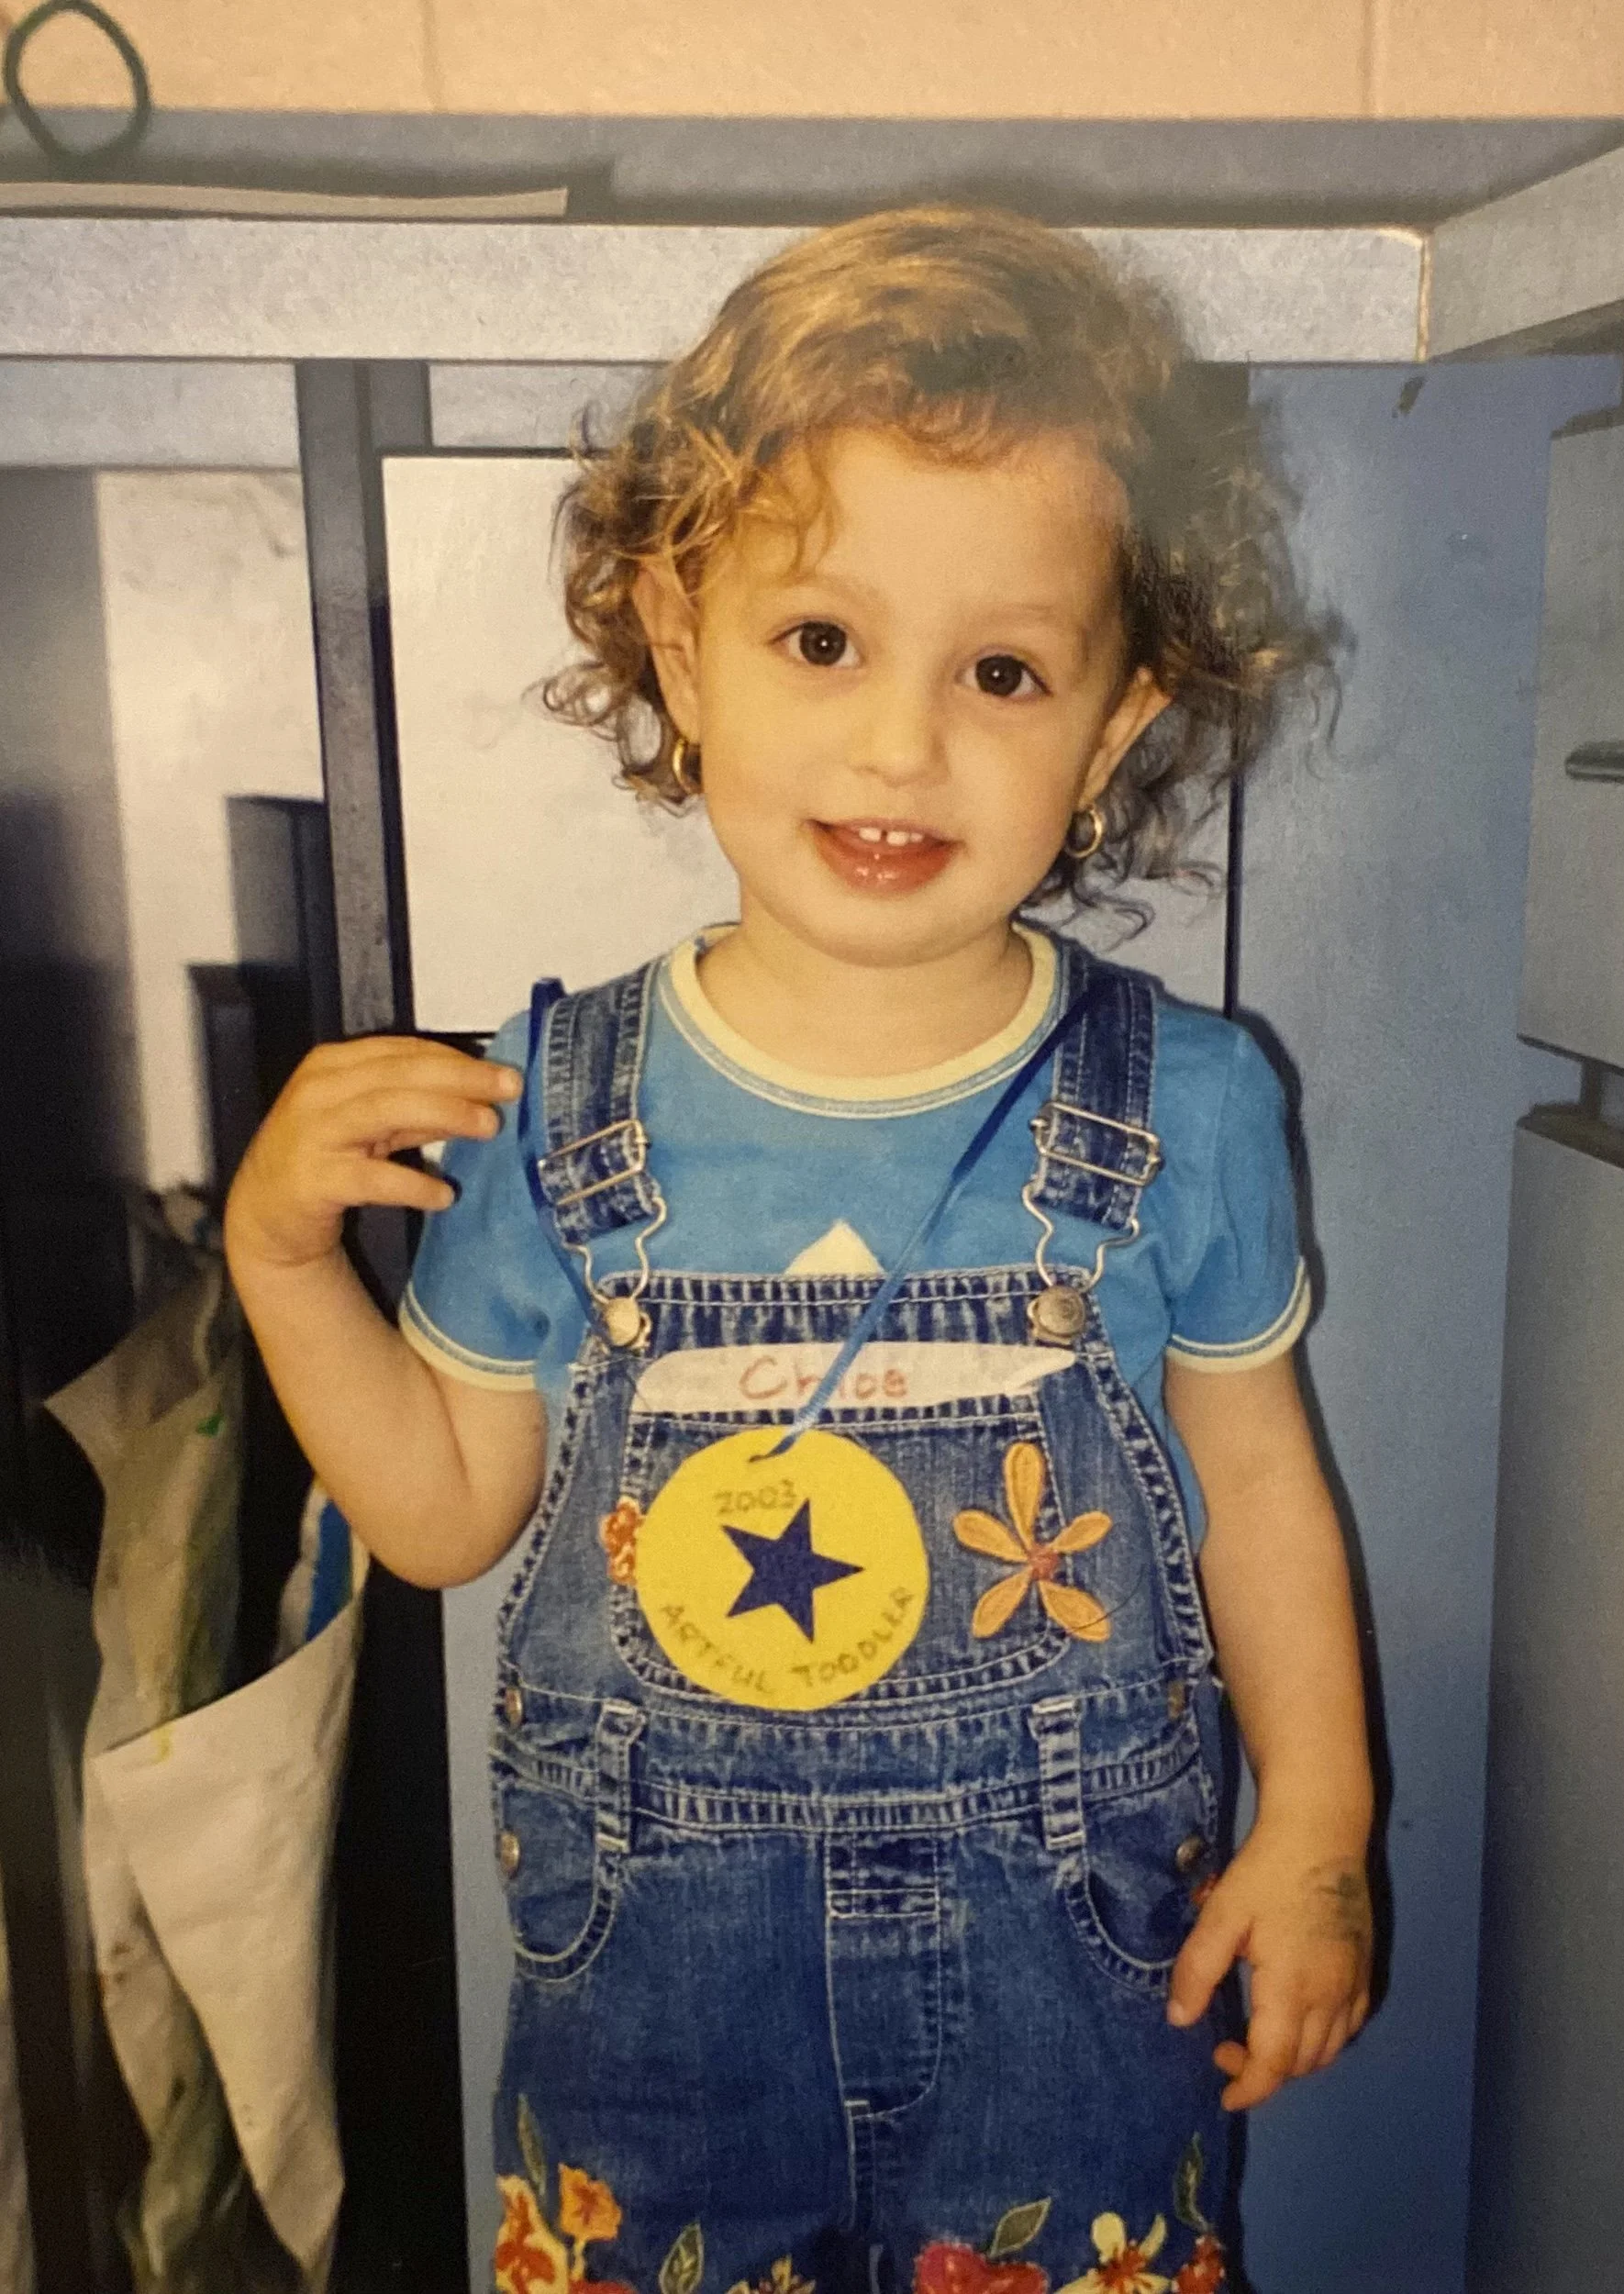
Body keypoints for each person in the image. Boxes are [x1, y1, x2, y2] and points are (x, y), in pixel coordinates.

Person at [226, 206, 1373, 2294]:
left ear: (1110, 729)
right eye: (821, 639)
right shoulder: (542, 1107)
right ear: (678, 641)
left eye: (1003, 669)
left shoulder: (1186, 1104)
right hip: (656, 2032)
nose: (898, 741)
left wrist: (1318, 1825)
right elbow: (437, 1519)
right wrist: (289, 1269)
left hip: (1077, 1995)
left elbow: (1261, 1488)